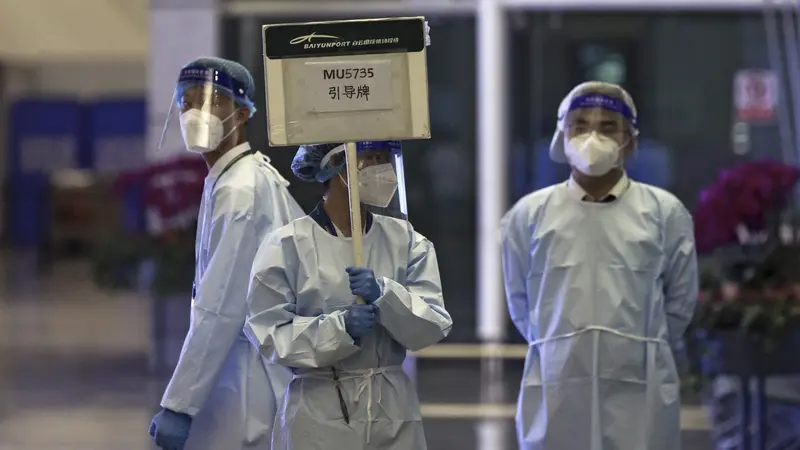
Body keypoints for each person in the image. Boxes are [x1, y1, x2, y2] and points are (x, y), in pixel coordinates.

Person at [500, 81, 698, 450]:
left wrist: (634, 348)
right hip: (557, 383)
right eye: (580, 125)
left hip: (641, 383)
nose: (593, 136)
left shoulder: (663, 212)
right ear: (563, 136)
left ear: (630, 139)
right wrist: (562, 345)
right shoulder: (528, 215)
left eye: (608, 126)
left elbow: (681, 302)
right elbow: (520, 301)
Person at [244, 140, 453, 450]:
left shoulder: (406, 241)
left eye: (385, 158)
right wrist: (338, 330)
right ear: (335, 165)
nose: (382, 170)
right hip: (319, 414)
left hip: (392, 411)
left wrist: (386, 296)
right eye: (370, 157)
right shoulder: (287, 246)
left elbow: (432, 325)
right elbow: (268, 335)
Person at [148, 56, 305, 450]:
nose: (194, 113)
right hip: (247, 370)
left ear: (242, 111)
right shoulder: (235, 176)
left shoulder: (240, 190)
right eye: (187, 102)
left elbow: (220, 306)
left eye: (211, 101)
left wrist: (179, 404)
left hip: (251, 378)